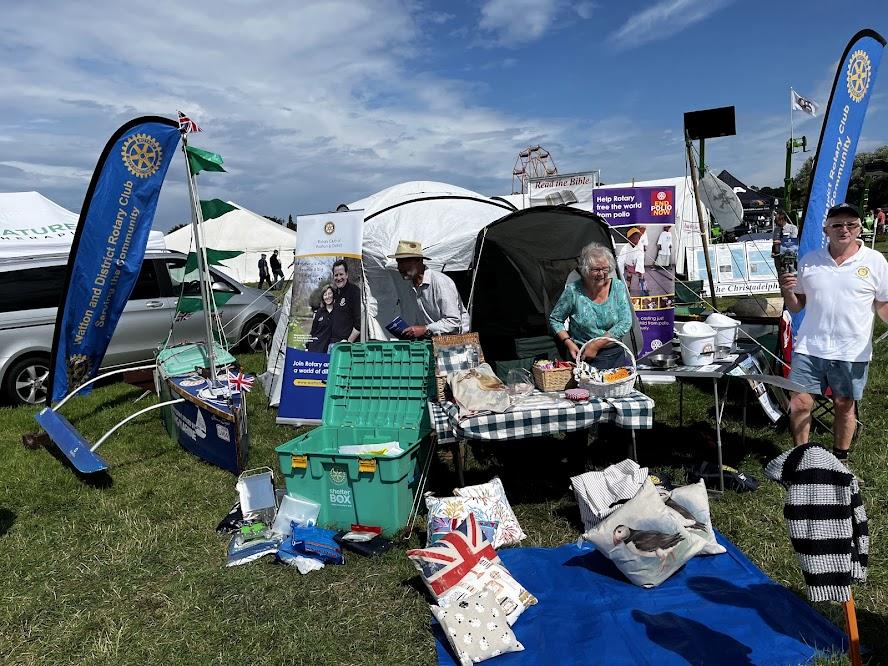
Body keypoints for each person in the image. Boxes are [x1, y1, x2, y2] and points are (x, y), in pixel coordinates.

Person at [779, 202, 888, 467]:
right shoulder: (809, 261)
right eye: (837, 224)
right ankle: (802, 459)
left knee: (844, 405)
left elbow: (882, 303)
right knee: (800, 403)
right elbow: (797, 306)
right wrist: (787, 291)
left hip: (851, 350)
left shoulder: (875, 261)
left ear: (859, 228)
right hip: (809, 346)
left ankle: (840, 461)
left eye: (851, 224)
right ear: (826, 229)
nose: (844, 229)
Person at [549, 242, 634, 370]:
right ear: (585, 270)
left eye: (605, 269)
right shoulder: (573, 291)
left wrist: (596, 345)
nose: (601, 274)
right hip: (583, 357)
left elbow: (625, 321)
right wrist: (568, 342)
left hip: (614, 356)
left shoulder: (617, 287)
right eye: (596, 270)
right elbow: (555, 319)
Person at [389, 240, 468, 338]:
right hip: (433, 340)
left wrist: (425, 329)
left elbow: (453, 322)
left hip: (457, 341)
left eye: (404, 262)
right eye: (398, 262)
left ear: (418, 260)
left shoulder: (440, 282)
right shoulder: (410, 287)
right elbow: (421, 320)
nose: (399, 267)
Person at [330, 259, 361, 346]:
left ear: (347, 275)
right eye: (336, 275)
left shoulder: (354, 292)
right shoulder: (334, 294)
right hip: (333, 344)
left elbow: (359, 324)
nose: (339, 278)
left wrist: (348, 343)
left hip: (347, 347)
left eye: (341, 274)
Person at [617, 228, 648, 295]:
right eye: (634, 238)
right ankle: (627, 288)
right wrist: (620, 272)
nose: (636, 240)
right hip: (630, 265)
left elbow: (641, 257)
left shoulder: (640, 245)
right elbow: (620, 260)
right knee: (629, 276)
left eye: (638, 238)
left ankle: (644, 290)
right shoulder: (625, 248)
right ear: (629, 239)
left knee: (641, 277)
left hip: (638, 264)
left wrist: (639, 269)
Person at [306, 284, 335, 353]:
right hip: (316, 348)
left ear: (334, 295)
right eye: (325, 295)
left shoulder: (338, 311)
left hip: (330, 349)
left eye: (330, 293)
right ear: (323, 298)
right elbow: (313, 331)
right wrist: (308, 345)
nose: (327, 297)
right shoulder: (319, 312)